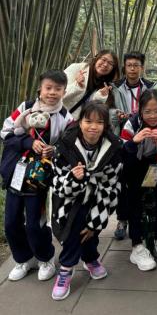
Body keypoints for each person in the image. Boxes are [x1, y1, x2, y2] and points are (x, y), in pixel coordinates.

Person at [0, 70, 73, 282]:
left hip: (40, 177)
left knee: (35, 222)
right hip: (17, 171)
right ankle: (23, 259)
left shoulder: (66, 117)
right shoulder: (26, 107)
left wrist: (54, 150)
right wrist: (28, 142)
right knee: (11, 221)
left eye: (58, 89)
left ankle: (45, 258)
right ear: (40, 88)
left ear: (64, 92)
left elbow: (69, 144)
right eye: (48, 88)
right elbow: (5, 133)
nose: (52, 93)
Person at [51, 101, 122, 301]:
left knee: (89, 230)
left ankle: (90, 258)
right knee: (75, 225)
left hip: (99, 199)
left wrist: (95, 223)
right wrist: (75, 179)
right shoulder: (65, 146)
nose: (93, 127)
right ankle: (66, 268)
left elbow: (111, 186)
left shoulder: (113, 149)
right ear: (79, 122)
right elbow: (57, 185)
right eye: (88, 121)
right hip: (68, 201)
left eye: (99, 122)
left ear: (105, 126)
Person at [120, 89, 157, 271]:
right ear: (140, 110)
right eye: (147, 111)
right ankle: (137, 245)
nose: (153, 116)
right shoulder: (131, 124)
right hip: (135, 166)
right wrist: (134, 142)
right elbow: (121, 157)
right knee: (134, 201)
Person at [111, 51, 155, 240]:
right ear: (124, 67)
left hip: (147, 140)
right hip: (123, 140)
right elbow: (105, 111)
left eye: (136, 65)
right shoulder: (114, 87)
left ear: (142, 68)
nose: (132, 69)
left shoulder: (152, 87)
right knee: (122, 182)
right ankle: (122, 220)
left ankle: (144, 219)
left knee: (145, 182)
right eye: (129, 65)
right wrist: (116, 115)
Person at [63, 50, 120, 120]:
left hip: (76, 123)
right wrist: (77, 86)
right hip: (59, 117)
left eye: (110, 63)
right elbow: (59, 95)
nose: (105, 64)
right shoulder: (77, 69)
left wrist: (100, 97)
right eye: (103, 59)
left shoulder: (107, 87)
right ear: (96, 58)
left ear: (113, 68)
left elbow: (94, 112)